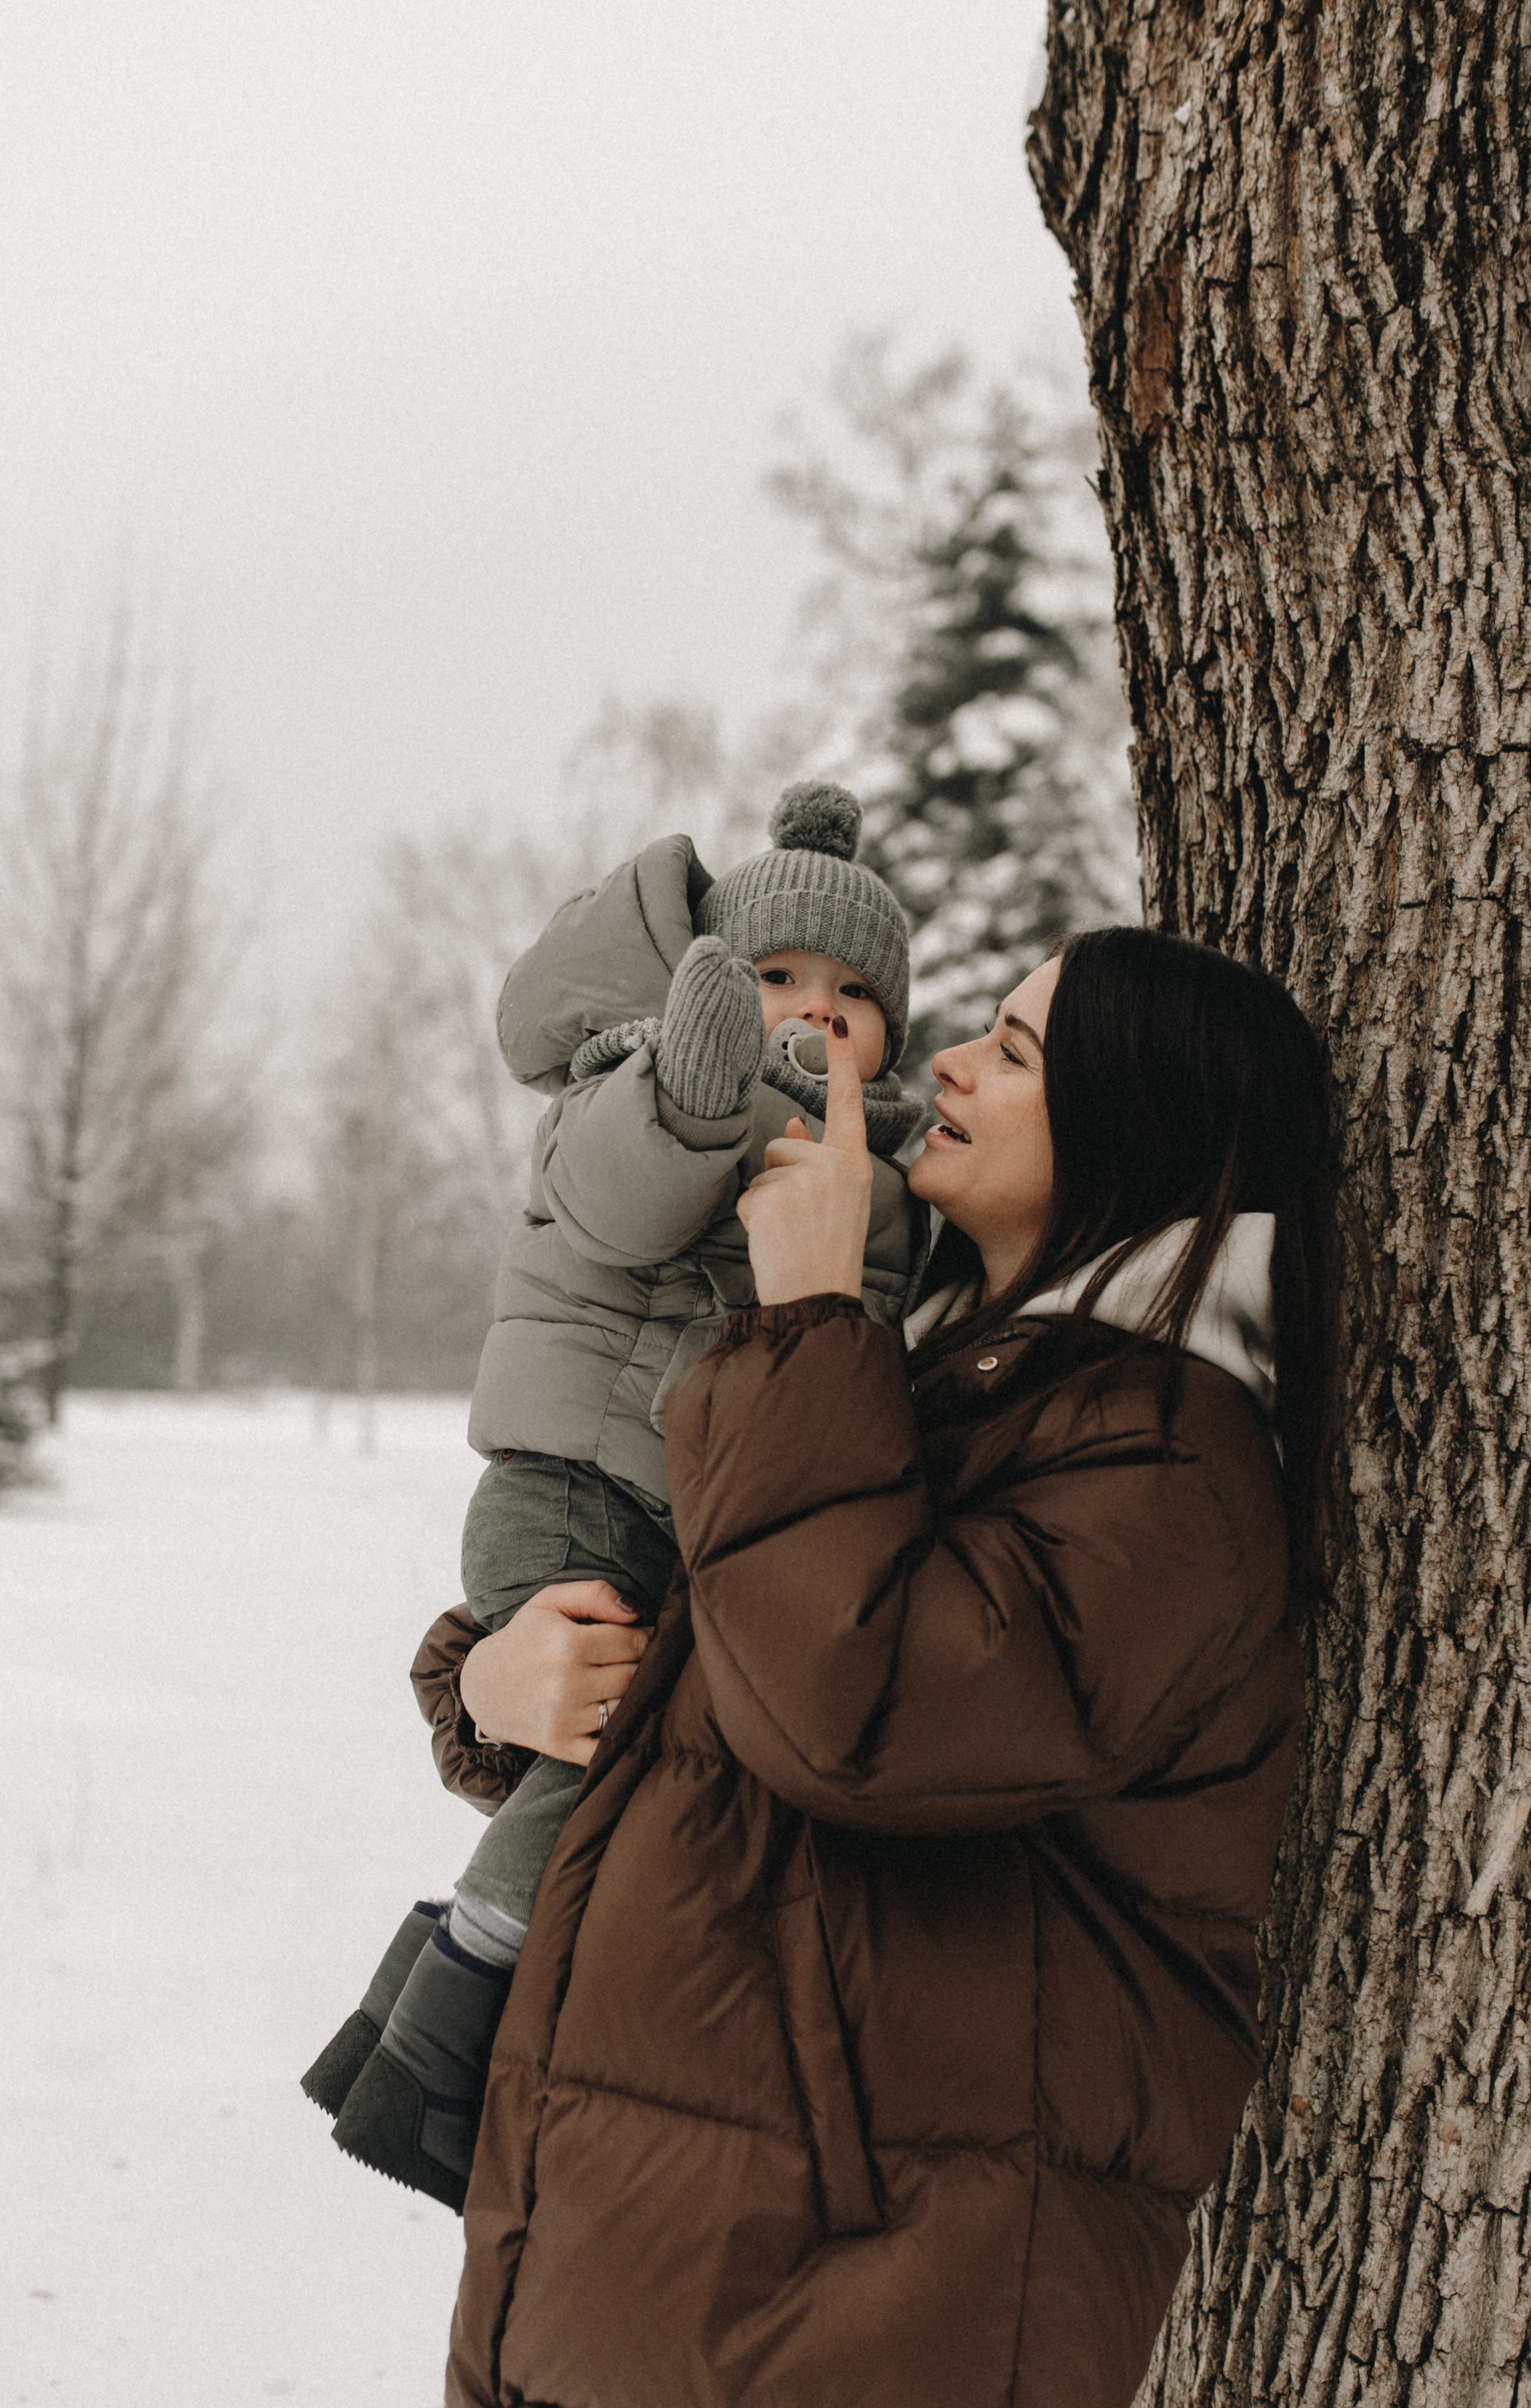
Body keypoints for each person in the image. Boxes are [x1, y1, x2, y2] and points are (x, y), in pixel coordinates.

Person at [411, 924, 1335, 2408]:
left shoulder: (1169, 1460)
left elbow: (857, 1710)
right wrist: (487, 1685)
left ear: (1136, 1127)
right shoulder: (948, 1382)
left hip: (867, 2294)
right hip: (683, 2258)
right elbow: (726, 1647)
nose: (947, 1060)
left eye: (1018, 1052)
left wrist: (809, 1317)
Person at [301, 783, 928, 2212]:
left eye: (852, 993)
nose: (815, 1012)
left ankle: (416, 2033)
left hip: (705, 1523)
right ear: (710, 984)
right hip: (579, 1491)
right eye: (775, 978)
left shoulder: (894, 1173)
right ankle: (445, 2046)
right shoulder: (641, 1090)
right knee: (599, 1755)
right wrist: (694, 1092)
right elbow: (620, 1198)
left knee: (614, 1769)